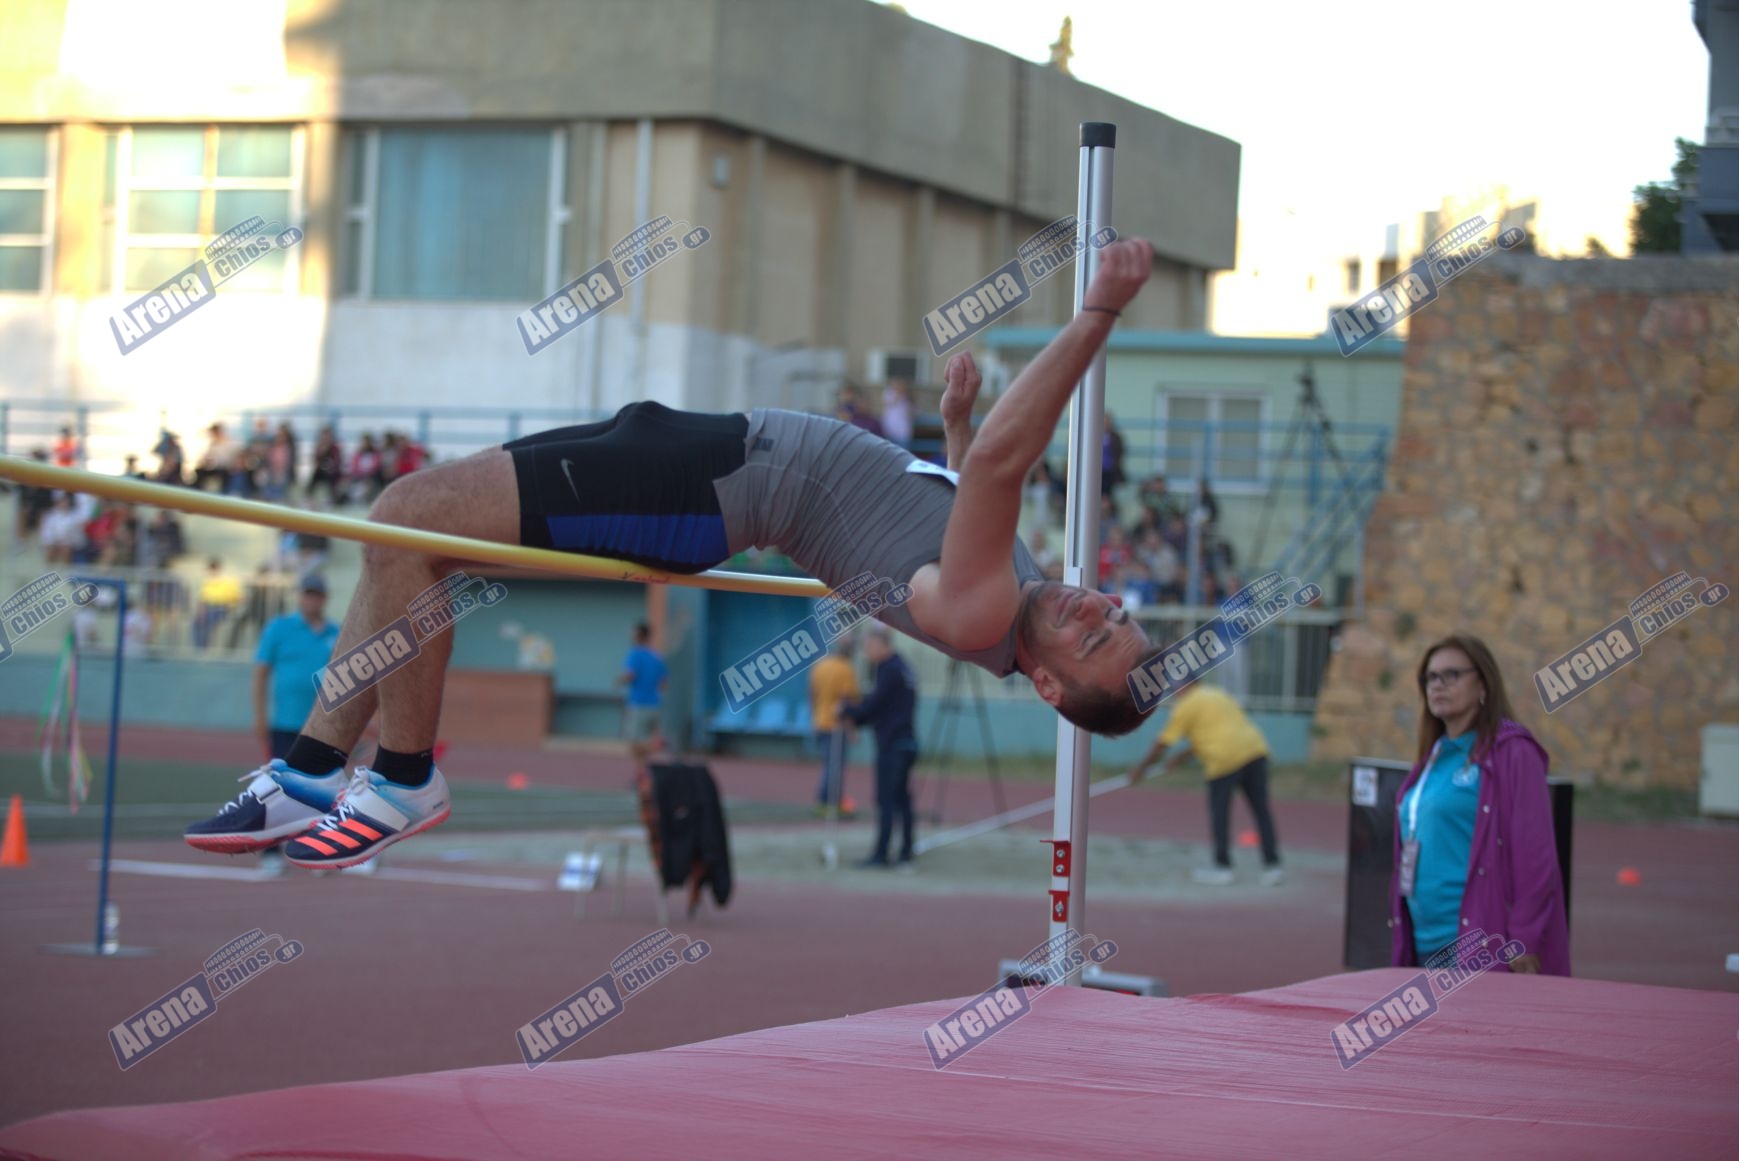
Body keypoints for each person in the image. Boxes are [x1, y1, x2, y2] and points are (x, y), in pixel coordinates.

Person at [180, 237, 1162, 869]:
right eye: (1113, 613)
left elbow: (997, 467)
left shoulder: (987, 614)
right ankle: (309, 770)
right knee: (397, 539)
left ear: (1045, 683)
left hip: (707, 494)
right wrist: (952, 427)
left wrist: (1096, 315)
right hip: (712, 455)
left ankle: (401, 777)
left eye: (1093, 640)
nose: (1096, 608)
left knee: (409, 522)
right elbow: (955, 495)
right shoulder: (1012, 588)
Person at [1389, 634, 1568, 976]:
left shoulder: (1513, 752)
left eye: (1452, 675)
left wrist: (1525, 936)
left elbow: (1536, 853)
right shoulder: (1435, 756)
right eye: (1431, 677)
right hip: (1422, 944)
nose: (1438, 685)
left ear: (1483, 683)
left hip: (1477, 946)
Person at [198, 574, 342, 868]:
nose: (311, 599)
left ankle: (314, 848)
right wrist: (260, 715)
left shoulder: (336, 632)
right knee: (279, 788)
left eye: (316, 594)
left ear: (324, 598)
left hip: (324, 727)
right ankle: (272, 852)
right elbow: (261, 671)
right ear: (299, 596)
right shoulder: (279, 628)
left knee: (321, 788)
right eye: (307, 593)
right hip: (286, 722)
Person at [1129, 678, 1284, 886]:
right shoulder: (1218, 694)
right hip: (1254, 752)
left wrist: (1140, 769)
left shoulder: (1186, 706)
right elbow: (1211, 733)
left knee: (1220, 815)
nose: (1175, 692)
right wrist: (1181, 758)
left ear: (1186, 685)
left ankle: (1222, 867)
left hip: (1224, 761)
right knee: (1261, 811)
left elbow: (1163, 743)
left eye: (1176, 688)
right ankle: (1273, 866)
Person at [840, 626, 918, 868]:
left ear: (880, 644)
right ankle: (905, 851)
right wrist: (855, 716)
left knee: (888, 800)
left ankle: (882, 854)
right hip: (904, 741)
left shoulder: (890, 669)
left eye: (868, 646)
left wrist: (846, 710)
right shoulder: (902, 667)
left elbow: (874, 705)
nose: (866, 652)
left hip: (894, 744)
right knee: (901, 799)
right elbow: (882, 708)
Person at [808, 633, 861, 814]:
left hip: (820, 721)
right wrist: (852, 729)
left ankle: (830, 799)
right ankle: (828, 801)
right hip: (836, 726)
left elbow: (811, 693)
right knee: (835, 766)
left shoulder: (821, 666)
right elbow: (847, 702)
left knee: (829, 764)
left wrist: (814, 716)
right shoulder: (846, 670)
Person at [618, 622, 668, 742]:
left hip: (638, 703)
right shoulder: (657, 656)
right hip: (655, 704)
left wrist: (619, 680)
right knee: (648, 739)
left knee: (635, 742)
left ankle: (657, 745)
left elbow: (630, 676)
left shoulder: (635, 654)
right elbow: (664, 683)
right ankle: (655, 745)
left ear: (638, 636)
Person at [881, 379, 914, 450]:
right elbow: (891, 403)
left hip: (903, 432)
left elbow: (912, 412)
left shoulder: (908, 398)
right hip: (890, 430)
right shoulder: (889, 393)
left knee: (903, 451)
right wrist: (899, 394)